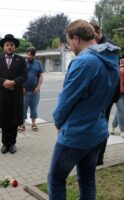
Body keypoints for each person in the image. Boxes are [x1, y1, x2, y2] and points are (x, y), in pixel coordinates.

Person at [48, 20, 120, 200]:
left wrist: (58, 122)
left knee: (56, 180)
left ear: (76, 38)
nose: (70, 47)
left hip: (76, 134)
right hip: (97, 131)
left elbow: (65, 101)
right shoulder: (111, 59)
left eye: (69, 42)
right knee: (87, 180)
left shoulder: (83, 62)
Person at [90, 21, 121, 166]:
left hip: (106, 94)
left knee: (102, 125)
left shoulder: (108, 46)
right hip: (102, 93)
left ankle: (99, 157)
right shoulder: (97, 44)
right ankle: (95, 155)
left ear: (97, 31)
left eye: (91, 34)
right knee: (98, 124)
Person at [0, 34, 27, 154]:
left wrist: (13, 82)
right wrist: (4, 82)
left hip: (15, 94)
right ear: (4, 47)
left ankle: (12, 144)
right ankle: (4, 144)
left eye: (11, 45)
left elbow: (24, 76)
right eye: (7, 45)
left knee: (14, 120)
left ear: (15, 47)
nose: (9, 47)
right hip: (2, 95)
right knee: (4, 119)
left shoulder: (21, 60)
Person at [19, 47, 44, 132]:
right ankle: (22, 125)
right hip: (24, 91)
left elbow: (41, 76)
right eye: (29, 54)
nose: (30, 56)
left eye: (32, 55)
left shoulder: (38, 63)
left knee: (34, 109)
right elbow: (19, 77)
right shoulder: (22, 64)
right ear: (26, 54)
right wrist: (21, 86)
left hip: (35, 91)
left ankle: (33, 124)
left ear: (34, 55)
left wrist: (38, 87)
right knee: (23, 109)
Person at [110, 58, 124, 138]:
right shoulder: (119, 69)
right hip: (119, 93)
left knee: (120, 111)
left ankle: (113, 126)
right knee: (121, 111)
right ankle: (122, 130)